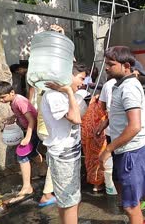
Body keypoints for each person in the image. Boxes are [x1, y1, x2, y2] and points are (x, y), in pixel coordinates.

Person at [98, 46, 145, 224]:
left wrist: (108, 150)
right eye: (106, 63)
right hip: (128, 149)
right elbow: (122, 115)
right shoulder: (120, 85)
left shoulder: (128, 88)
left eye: (110, 64)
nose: (106, 67)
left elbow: (134, 126)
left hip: (129, 151)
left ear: (126, 65)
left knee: (130, 205)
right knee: (140, 186)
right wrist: (106, 122)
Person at [41, 63, 88, 224]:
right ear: (69, 75)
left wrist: (70, 93)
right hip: (63, 156)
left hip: (69, 153)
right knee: (70, 202)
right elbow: (76, 119)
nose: (82, 82)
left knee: (67, 200)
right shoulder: (54, 95)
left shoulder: (62, 94)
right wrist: (68, 90)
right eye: (81, 78)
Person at [0, 81, 42, 204]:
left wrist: (27, 137)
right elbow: (20, 114)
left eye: (3, 97)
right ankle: (45, 168)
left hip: (33, 129)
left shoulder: (19, 101)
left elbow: (31, 119)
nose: (1, 101)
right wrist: (12, 118)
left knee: (22, 155)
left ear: (12, 92)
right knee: (32, 152)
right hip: (30, 129)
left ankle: (27, 187)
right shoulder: (13, 101)